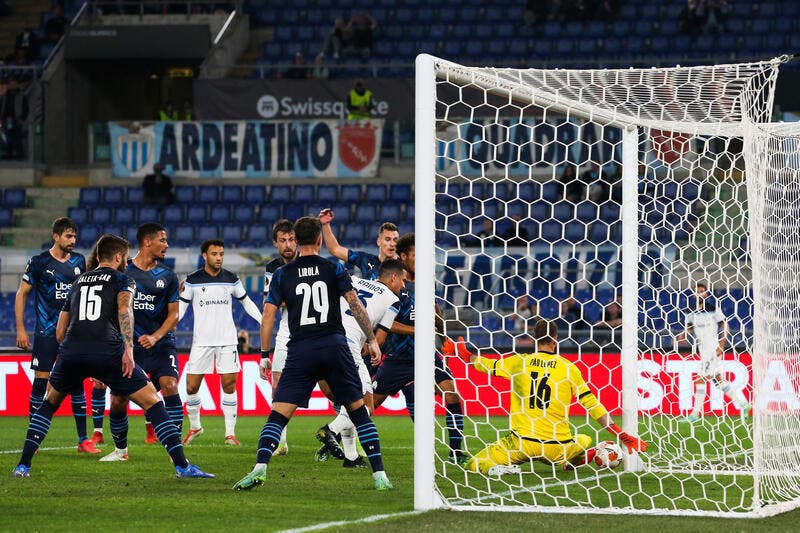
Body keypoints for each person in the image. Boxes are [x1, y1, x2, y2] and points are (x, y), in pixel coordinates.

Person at [12, 234, 213, 479]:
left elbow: (60, 330)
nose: (126, 261)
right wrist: (128, 350)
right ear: (118, 257)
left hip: (71, 351)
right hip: (107, 350)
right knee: (153, 402)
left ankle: (23, 466)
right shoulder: (122, 279)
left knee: (48, 404)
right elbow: (124, 309)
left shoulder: (78, 281)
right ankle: (182, 466)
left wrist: (70, 353)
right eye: (125, 257)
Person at [233, 216, 392, 491]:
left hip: (301, 350)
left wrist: (264, 354)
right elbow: (354, 304)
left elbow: (269, 315)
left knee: (278, 415)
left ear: (295, 241)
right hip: (334, 346)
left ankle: (259, 468)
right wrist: (371, 339)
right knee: (358, 411)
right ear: (319, 239)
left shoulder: (283, 274)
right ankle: (380, 476)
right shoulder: (334, 268)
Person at [442, 319, 649, 475]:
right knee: (585, 439)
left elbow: (483, 364)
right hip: (558, 447)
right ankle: (580, 458)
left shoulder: (519, 362)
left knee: (474, 463)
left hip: (522, 443)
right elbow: (591, 404)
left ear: (534, 338)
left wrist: (463, 353)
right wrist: (620, 434)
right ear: (555, 339)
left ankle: (498, 469)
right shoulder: (569, 368)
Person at [370, 233, 468, 464]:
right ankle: (339, 435)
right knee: (367, 405)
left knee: (452, 393)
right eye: (416, 254)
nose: (421, 258)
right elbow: (385, 323)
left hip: (426, 354)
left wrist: (443, 337)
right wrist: (417, 331)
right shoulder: (391, 285)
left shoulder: (426, 280)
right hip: (399, 358)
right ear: (403, 257)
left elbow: (435, 310)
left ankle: (456, 452)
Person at [15, 217, 100, 453]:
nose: (73, 241)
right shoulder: (39, 262)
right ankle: (34, 437)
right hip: (46, 332)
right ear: (56, 236)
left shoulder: (79, 261)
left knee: (77, 384)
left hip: (73, 333)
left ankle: (83, 440)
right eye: (68, 236)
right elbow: (22, 294)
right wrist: (21, 329)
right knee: (41, 381)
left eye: (74, 236)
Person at [315, 259, 408, 467]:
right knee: (367, 405)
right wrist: (371, 345)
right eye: (402, 280)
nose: (403, 285)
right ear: (393, 277)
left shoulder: (355, 281)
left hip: (322, 338)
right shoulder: (394, 300)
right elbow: (381, 337)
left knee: (348, 400)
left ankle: (351, 457)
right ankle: (330, 430)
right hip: (346, 344)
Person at [100, 223, 181, 460]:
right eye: (163, 240)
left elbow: (174, 314)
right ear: (147, 242)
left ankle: (175, 447)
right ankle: (120, 451)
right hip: (130, 348)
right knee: (118, 400)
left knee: (170, 385)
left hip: (161, 344)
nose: (166, 245)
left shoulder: (168, 276)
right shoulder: (123, 274)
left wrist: (156, 336)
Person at [179, 239, 263, 446]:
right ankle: (196, 426)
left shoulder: (231, 278)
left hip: (227, 341)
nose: (219, 258)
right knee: (191, 387)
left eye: (221, 254)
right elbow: (181, 307)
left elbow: (246, 301)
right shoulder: (192, 280)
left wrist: (263, 320)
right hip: (201, 342)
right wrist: (171, 324)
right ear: (205, 256)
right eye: (215, 254)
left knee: (228, 384)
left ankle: (229, 434)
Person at [679, 281, 750, 423]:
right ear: (693, 294)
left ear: (706, 293)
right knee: (718, 381)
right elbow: (690, 327)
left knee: (701, 379)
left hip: (712, 349)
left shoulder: (712, 308)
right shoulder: (689, 310)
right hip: (702, 349)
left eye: (702, 291)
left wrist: (722, 345)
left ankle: (695, 413)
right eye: (697, 291)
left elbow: (725, 325)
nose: (700, 294)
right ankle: (744, 405)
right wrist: (684, 334)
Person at [262, 219, 298, 455]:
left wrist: (283, 296)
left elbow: (279, 300)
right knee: (277, 387)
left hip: (310, 331)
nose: (288, 244)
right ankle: (281, 442)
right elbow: (271, 303)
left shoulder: (306, 260)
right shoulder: (272, 268)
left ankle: (344, 431)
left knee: (330, 389)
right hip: (286, 331)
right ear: (275, 243)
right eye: (283, 240)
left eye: (291, 239)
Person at [319, 208, 398, 281]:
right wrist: (325, 225)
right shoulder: (366, 260)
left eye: (395, 240)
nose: (392, 244)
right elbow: (334, 249)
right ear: (378, 241)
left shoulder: (405, 265)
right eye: (387, 239)